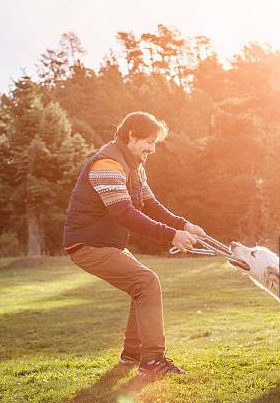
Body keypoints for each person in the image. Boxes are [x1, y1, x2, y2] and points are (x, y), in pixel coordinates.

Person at [63, 111, 205, 377]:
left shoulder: (135, 167)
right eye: (149, 142)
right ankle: (152, 361)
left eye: (155, 143)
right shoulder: (107, 165)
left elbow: (151, 205)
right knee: (146, 282)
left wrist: (183, 225)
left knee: (141, 286)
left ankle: (132, 355)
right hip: (87, 245)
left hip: (107, 244)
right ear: (131, 135)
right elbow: (124, 213)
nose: (152, 149)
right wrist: (171, 235)